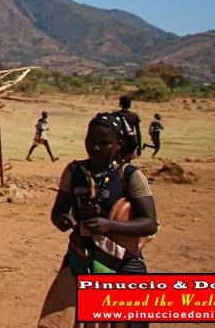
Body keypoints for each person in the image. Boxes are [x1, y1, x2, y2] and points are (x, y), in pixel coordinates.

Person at [38, 112, 158, 328]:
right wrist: (62, 220)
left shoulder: (129, 175)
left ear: (118, 146)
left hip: (122, 262)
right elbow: (58, 212)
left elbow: (149, 223)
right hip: (80, 259)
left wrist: (109, 225)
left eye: (104, 143)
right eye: (90, 140)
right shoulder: (74, 171)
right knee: (63, 321)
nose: (95, 147)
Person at [116, 95, 142, 159]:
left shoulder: (116, 114)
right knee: (126, 161)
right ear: (129, 104)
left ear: (120, 103)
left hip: (118, 141)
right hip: (130, 142)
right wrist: (139, 147)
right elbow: (138, 133)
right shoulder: (134, 115)